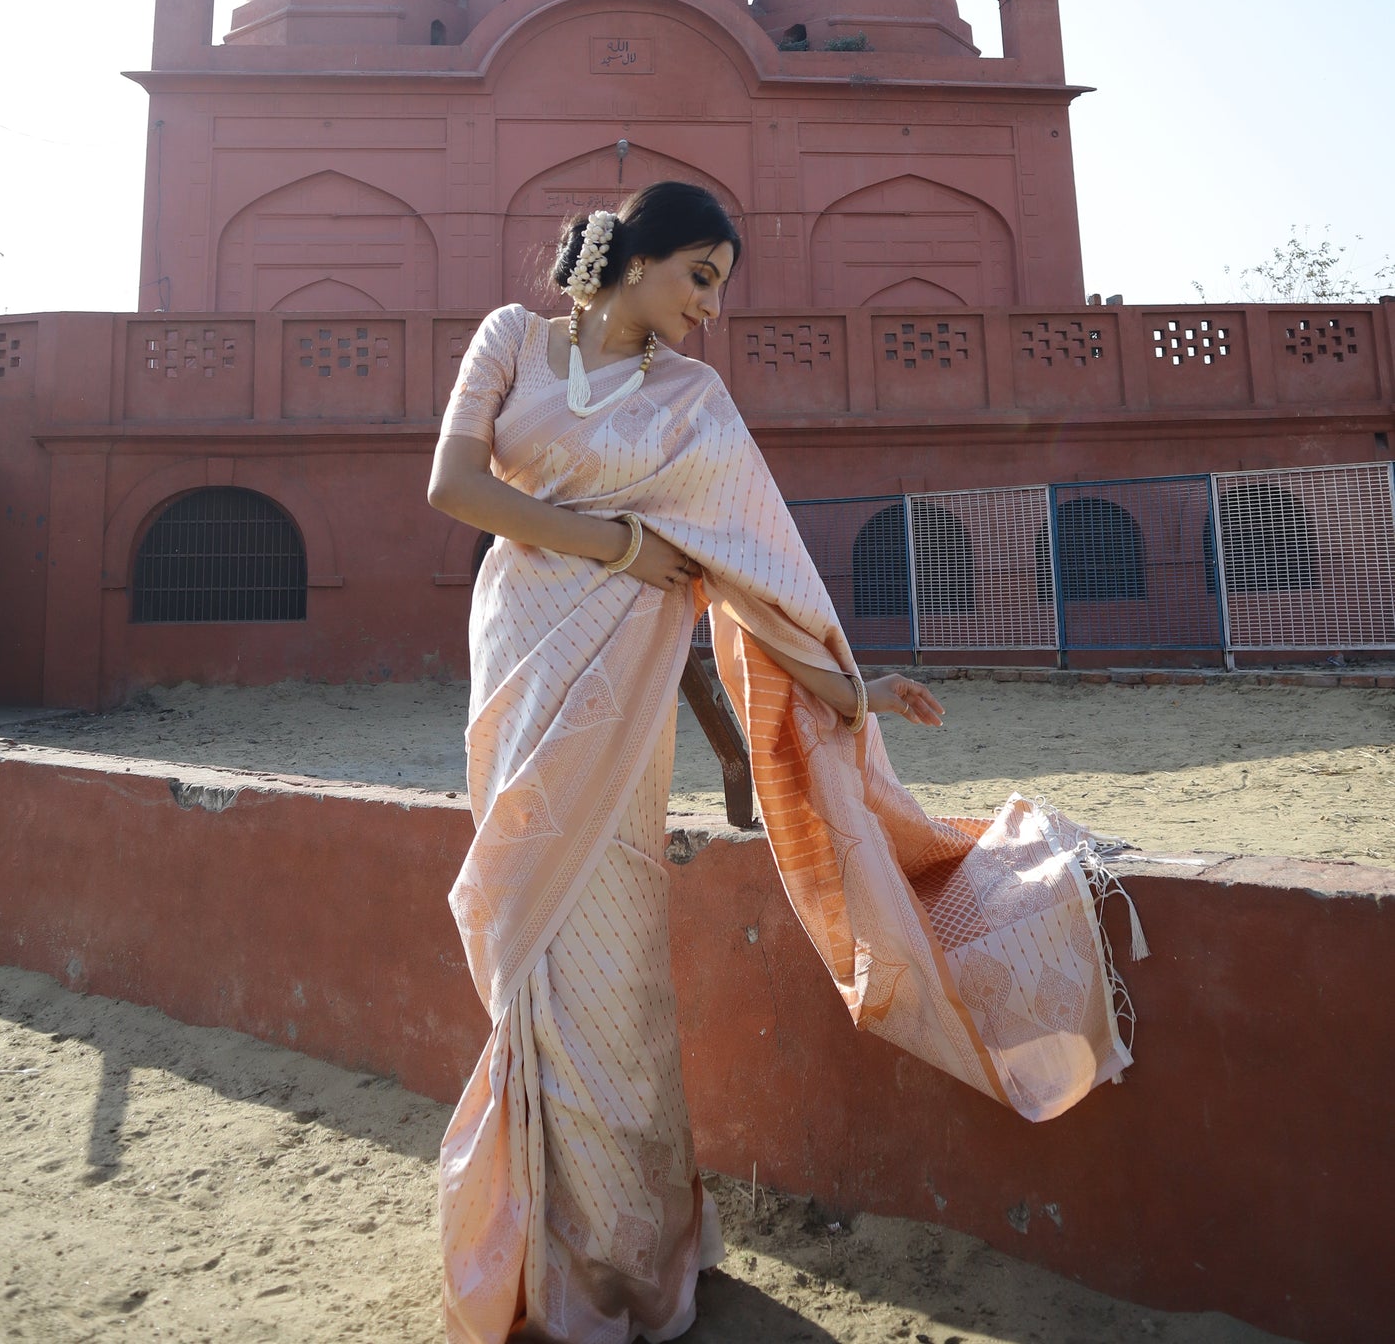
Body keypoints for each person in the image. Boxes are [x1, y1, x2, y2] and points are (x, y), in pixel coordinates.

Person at [429, 182, 1137, 1344]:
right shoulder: (510, 338)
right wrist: (625, 541)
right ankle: (531, 1245)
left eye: (720, 285)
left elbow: (758, 571)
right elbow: (455, 487)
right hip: (517, 658)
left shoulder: (692, 401)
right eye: (699, 275)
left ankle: (619, 1256)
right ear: (636, 252)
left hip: (615, 704)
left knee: (604, 968)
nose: (711, 306)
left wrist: (851, 685)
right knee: (523, 951)